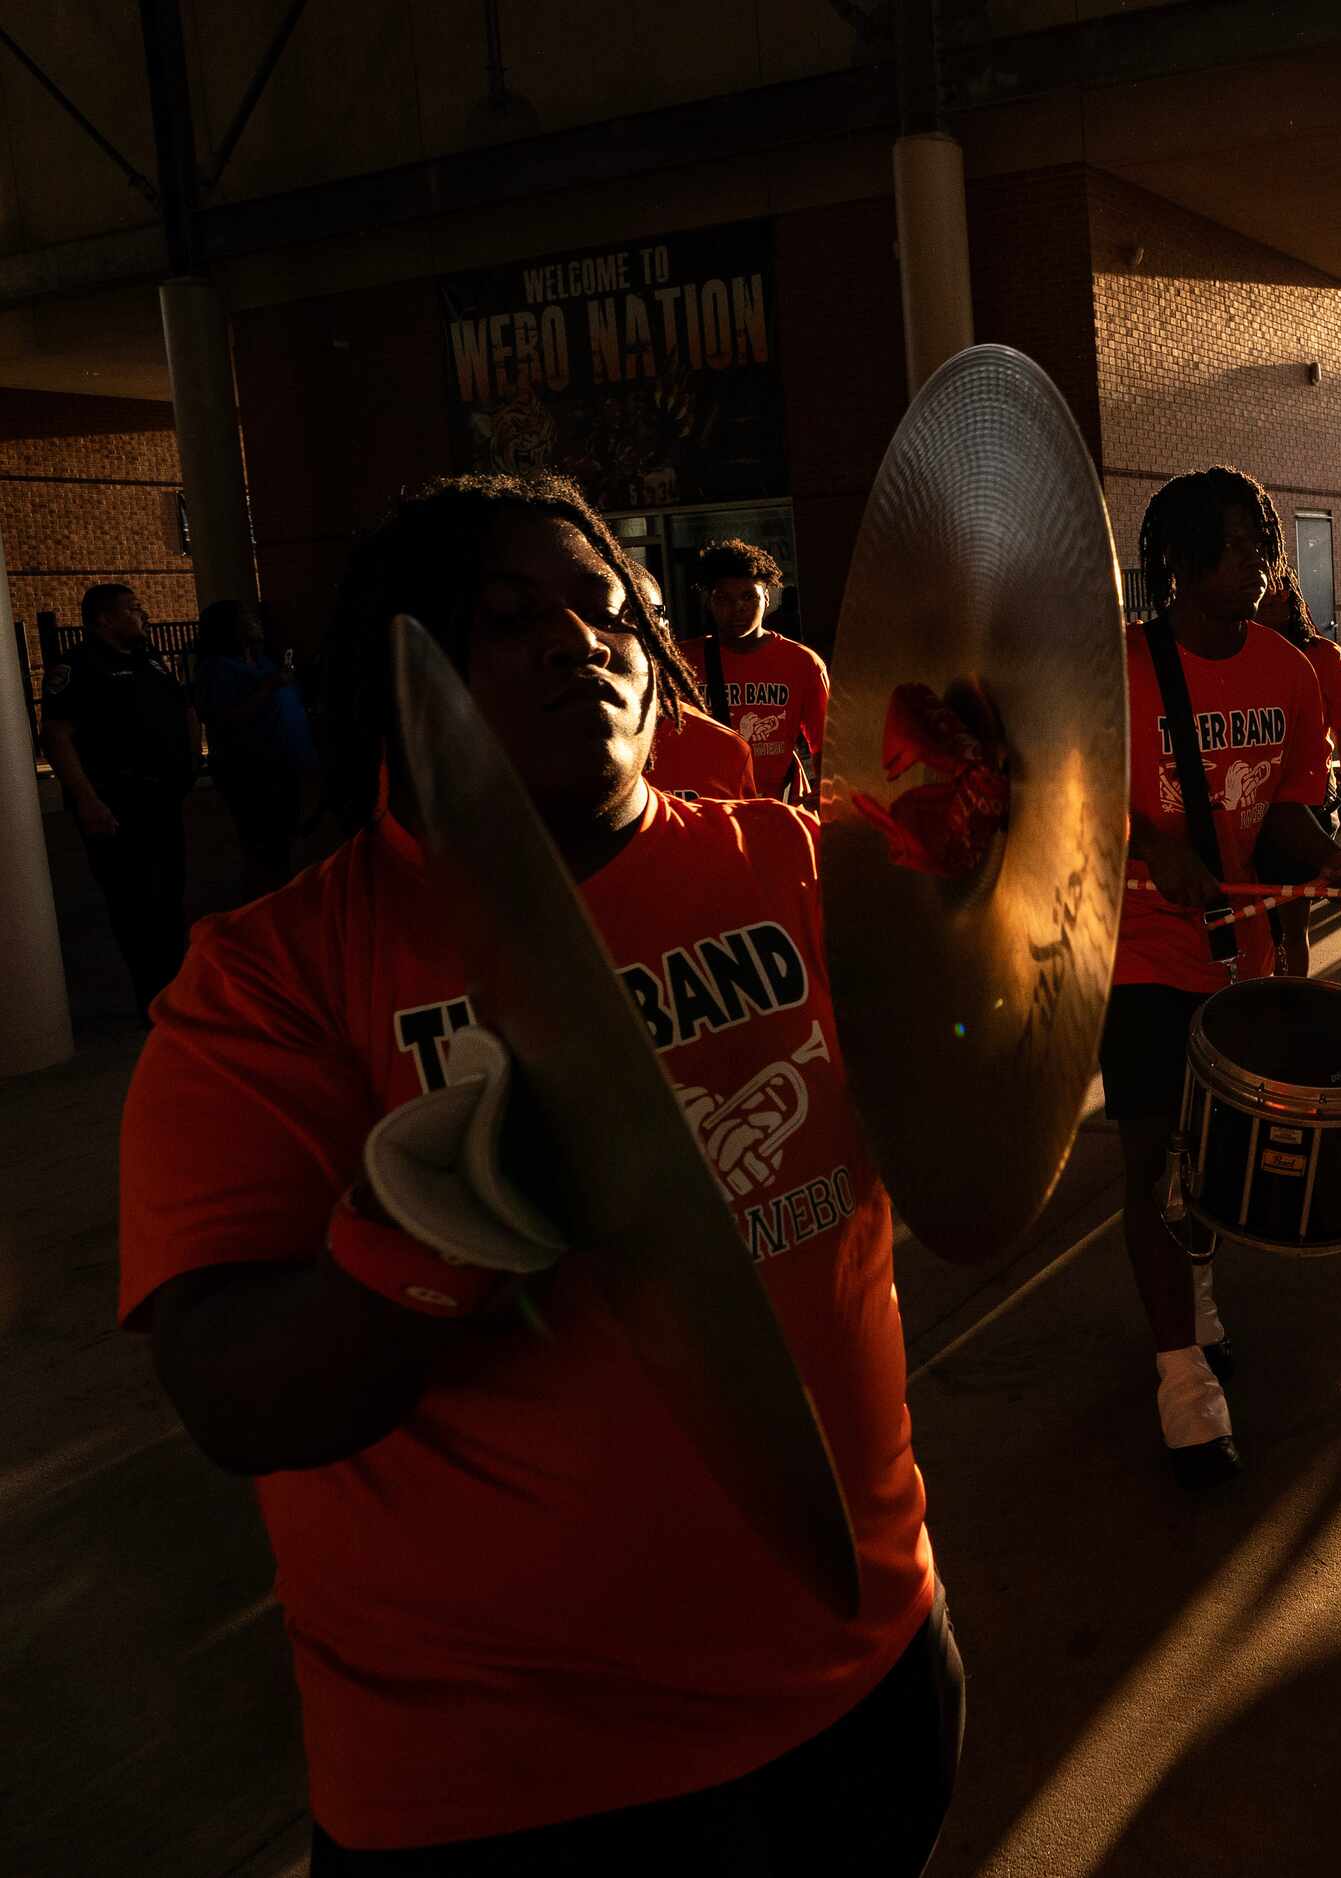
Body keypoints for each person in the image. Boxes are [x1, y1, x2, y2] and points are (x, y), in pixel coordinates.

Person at [122, 472, 962, 1873]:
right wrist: (434, 1222)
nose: (583, 640)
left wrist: (994, 862)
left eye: (612, 608)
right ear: (408, 668)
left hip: (862, 1662)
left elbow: (980, 1092)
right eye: (510, 617)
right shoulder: (268, 978)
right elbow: (228, 1388)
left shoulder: (803, 868)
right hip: (509, 1787)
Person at [1109, 467, 1341, 1485]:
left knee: (1207, 1162)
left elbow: (1290, 812)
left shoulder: (1289, 670)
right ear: (1177, 558)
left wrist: (1327, 855)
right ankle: (1181, 1381)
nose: (1260, 563)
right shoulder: (1116, 669)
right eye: (1237, 545)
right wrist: (1141, 837)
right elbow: (1052, 797)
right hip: (1133, 951)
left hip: (1238, 958)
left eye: (1264, 542)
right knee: (1150, 1158)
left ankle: (1194, 1280)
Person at [42, 582, 199, 1017]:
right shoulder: (77, 667)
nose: (143, 614)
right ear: (103, 619)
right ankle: (152, 997)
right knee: (134, 902)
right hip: (116, 803)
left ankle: (175, 989)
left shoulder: (150, 659)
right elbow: (57, 737)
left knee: (169, 894)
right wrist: (87, 800)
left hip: (160, 798)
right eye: (133, 609)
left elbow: (181, 708)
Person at [1255, 570, 1341, 977]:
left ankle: (1291, 1002)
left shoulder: (1322, 655)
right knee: (1253, 922)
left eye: (1279, 589)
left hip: (1308, 804)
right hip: (1241, 807)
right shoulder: (1228, 657)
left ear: (1292, 596)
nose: (1270, 596)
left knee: (1290, 920)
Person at [676, 538, 827, 802]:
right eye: (723, 598)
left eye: (749, 596)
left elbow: (825, 743)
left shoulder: (802, 662)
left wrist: (828, 791)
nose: (738, 608)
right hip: (707, 811)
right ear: (709, 603)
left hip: (777, 809)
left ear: (767, 598)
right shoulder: (681, 661)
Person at [191, 598, 319, 900]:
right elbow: (222, 717)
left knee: (286, 836)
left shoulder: (264, 661)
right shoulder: (217, 669)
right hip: (251, 768)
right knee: (262, 841)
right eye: (247, 618)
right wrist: (269, 687)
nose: (256, 622)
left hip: (285, 762)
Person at [632, 562, 756, 801]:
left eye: (639, 615)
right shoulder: (552, 754)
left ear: (665, 629)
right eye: (595, 617)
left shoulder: (724, 749)